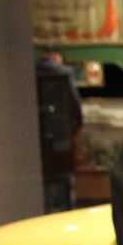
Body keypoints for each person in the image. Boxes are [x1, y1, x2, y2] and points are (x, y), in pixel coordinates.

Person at [35, 52, 83, 213]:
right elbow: (76, 110)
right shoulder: (63, 76)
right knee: (64, 184)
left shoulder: (31, 74)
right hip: (60, 136)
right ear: (56, 58)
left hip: (39, 140)